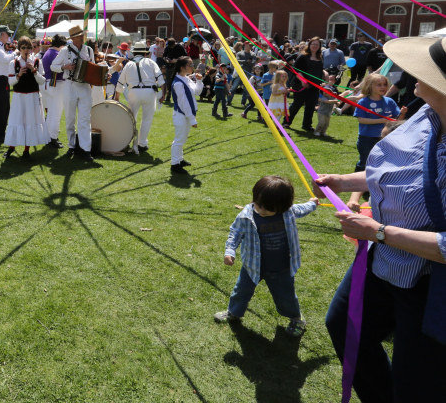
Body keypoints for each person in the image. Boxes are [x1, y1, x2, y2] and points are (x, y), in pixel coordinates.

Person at [320, 35, 446, 402]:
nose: (413, 74)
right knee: (345, 327)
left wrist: (379, 232)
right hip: (383, 262)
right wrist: (344, 181)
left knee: (417, 383)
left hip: (429, 285)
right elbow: (395, 170)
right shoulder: (426, 114)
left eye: (429, 70)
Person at [214, 176, 318, 336]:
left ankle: (297, 319)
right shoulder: (246, 215)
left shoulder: (287, 212)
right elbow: (235, 233)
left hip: (281, 268)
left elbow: (302, 208)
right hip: (252, 266)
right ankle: (233, 312)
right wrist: (230, 251)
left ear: (282, 206)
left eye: (268, 209)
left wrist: (313, 203)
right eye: (259, 205)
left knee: (286, 297)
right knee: (240, 291)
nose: (262, 211)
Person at [51, 25, 95, 162]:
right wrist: (65, 66)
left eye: (83, 35)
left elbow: (93, 66)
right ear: (73, 38)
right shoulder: (65, 50)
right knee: (70, 118)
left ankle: (86, 149)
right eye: (79, 36)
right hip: (70, 85)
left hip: (85, 86)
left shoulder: (89, 50)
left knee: (85, 119)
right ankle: (71, 145)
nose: (82, 37)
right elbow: (53, 66)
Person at [4, 36, 48, 160]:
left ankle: (26, 150)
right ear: (19, 48)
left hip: (33, 96)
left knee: (30, 121)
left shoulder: (37, 62)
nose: (26, 50)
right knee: (16, 120)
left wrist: (34, 70)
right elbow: (10, 82)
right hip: (19, 96)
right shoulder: (14, 63)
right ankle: (11, 147)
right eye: (23, 47)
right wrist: (18, 75)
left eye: (29, 47)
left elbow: (42, 80)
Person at [353, 74, 406, 171]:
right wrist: (382, 120)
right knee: (365, 162)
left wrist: (402, 113)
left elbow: (397, 120)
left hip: (385, 138)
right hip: (367, 138)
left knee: (382, 162)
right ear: (370, 86)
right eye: (379, 85)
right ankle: (357, 178)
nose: (383, 87)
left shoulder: (389, 101)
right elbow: (361, 120)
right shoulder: (363, 102)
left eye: (384, 84)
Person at [119, 41, 164, 153]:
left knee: (131, 119)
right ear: (145, 53)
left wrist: (116, 98)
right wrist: (163, 94)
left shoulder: (128, 64)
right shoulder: (151, 62)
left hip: (133, 92)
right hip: (149, 92)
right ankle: (142, 143)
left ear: (134, 53)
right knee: (147, 120)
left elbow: (120, 83)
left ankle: (126, 142)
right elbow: (161, 79)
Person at [286, 37, 327, 132]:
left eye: (317, 45)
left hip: (315, 85)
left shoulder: (320, 56)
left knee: (311, 105)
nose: (315, 46)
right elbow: (296, 69)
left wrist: (325, 74)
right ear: (309, 45)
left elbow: (320, 69)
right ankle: (286, 122)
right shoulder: (303, 56)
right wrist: (303, 81)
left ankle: (307, 125)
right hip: (301, 84)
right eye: (313, 44)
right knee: (297, 104)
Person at [169, 56, 202, 174]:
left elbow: (197, 92)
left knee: (182, 139)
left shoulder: (186, 79)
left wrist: (199, 81)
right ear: (182, 68)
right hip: (181, 115)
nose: (193, 67)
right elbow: (183, 104)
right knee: (179, 140)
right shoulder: (178, 83)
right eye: (190, 65)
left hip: (185, 115)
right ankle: (174, 164)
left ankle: (179, 159)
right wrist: (192, 120)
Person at [40, 35, 66, 149]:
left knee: (51, 113)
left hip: (49, 84)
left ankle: (48, 136)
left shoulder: (48, 52)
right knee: (56, 113)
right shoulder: (56, 54)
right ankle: (53, 138)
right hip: (56, 84)